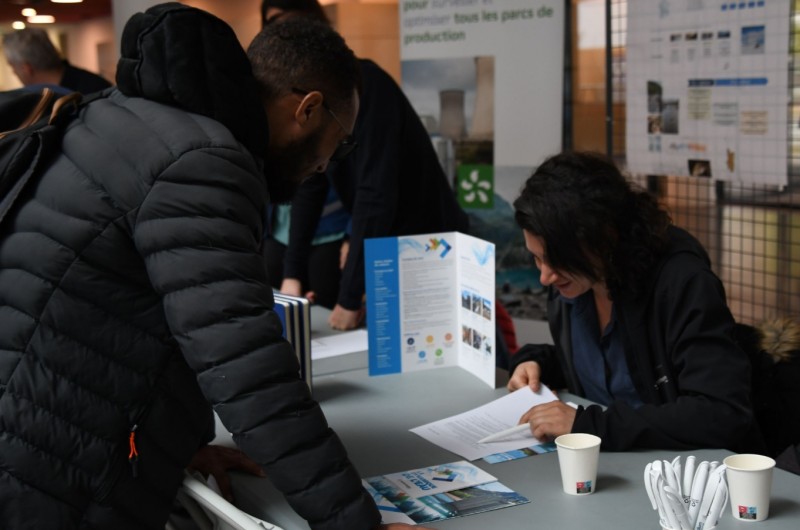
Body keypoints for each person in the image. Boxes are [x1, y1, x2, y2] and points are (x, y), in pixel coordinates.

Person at [0, 4, 426, 530]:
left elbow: (147, 316)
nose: (324, 167)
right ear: (308, 109)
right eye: (339, 145)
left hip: (36, 426)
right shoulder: (202, 163)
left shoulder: (125, 115)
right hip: (51, 476)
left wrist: (180, 445)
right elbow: (248, 370)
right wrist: (355, 523)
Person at [507, 151, 761, 452]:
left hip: (675, 470)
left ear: (602, 237)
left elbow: (720, 413)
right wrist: (536, 362)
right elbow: (603, 368)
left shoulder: (681, 282)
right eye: (537, 258)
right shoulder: (573, 282)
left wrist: (589, 426)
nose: (545, 277)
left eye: (558, 260)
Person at [262, 0, 470, 331]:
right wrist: (293, 274)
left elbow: (375, 192)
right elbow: (312, 183)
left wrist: (348, 298)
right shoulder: (313, 100)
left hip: (426, 246)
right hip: (385, 245)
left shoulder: (366, 88)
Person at [2, 27, 111, 95]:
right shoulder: (93, 85)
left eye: (12, 66)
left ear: (26, 68)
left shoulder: (94, 92)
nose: (14, 72)